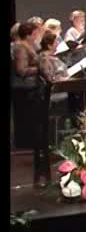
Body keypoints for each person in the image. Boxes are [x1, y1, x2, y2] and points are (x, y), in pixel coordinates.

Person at [11, 21, 42, 150]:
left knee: (30, 118)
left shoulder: (29, 45)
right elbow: (21, 70)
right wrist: (40, 69)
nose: (36, 36)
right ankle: (24, 144)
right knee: (24, 118)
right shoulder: (20, 47)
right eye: (35, 33)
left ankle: (29, 142)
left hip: (31, 86)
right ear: (28, 34)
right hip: (23, 88)